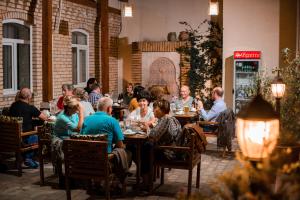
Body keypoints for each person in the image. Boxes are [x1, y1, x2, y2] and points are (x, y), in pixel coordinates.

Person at [140, 99, 182, 189]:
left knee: (144, 148)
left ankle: (146, 182)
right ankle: (146, 178)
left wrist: (147, 127)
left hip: (169, 153)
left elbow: (152, 136)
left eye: (155, 108)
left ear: (162, 110)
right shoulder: (171, 118)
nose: (153, 110)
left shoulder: (165, 119)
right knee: (145, 147)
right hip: (174, 150)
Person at [9, 88, 48, 168]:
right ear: (29, 97)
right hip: (23, 138)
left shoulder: (13, 106)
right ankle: (28, 158)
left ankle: (21, 159)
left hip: (11, 137)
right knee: (38, 137)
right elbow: (45, 118)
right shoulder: (30, 108)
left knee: (31, 129)